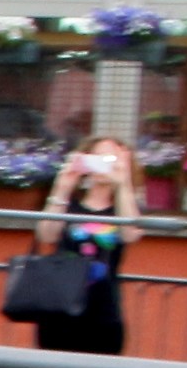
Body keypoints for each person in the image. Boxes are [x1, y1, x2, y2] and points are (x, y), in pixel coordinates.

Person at [30, 136, 139, 356]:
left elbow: (131, 234)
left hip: (103, 309)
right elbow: (47, 235)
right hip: (60, 304)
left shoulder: (122, 208)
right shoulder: (71, 205)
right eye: (97, 157)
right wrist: (63, 187)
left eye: (111, 158)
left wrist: (123, 184)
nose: (103, 164)